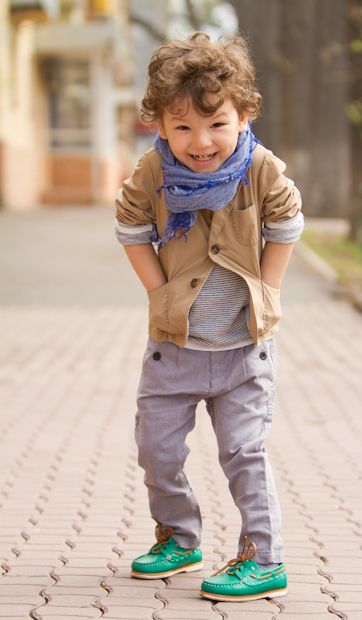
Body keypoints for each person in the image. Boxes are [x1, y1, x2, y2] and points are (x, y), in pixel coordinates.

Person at [115, 32, 303, 603]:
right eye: (183, 127)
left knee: (245, 453)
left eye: (216, 123)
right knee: (157, 449)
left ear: (243, 114)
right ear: (161, 125)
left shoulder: (260, 169)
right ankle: (179, 537)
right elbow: (129, 227)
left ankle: (263, 557)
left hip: (243, 347)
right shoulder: (153, 171)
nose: (200, 142)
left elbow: (287, 223)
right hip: (174, 347)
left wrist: (267, 292)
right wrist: (159, 293)